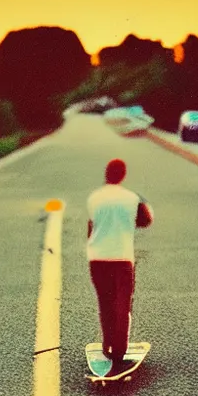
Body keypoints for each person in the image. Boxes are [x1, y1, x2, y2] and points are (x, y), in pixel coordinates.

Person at [87, 158, 154, 376]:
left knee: (105, 303)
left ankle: (107, 346)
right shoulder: (132, 198)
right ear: (122, 175)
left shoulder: (94, 198)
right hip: (122, 258)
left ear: (106, 174)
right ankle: (119, 350)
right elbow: (146, 221)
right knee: (121, 304)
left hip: (97, 258)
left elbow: (91, 227)